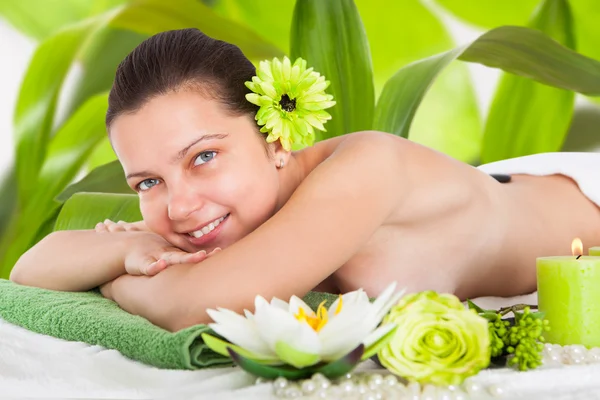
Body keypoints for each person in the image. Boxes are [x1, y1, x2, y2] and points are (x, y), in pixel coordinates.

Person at [9, 28, 600, 332]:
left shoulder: (367, 169)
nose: (180, 205)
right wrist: (135, 246)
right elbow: (30, 271)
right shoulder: (222, 212)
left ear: (276, 137)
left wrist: (114, 279)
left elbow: (195, 305)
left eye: (204, 157)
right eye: (146, 183)